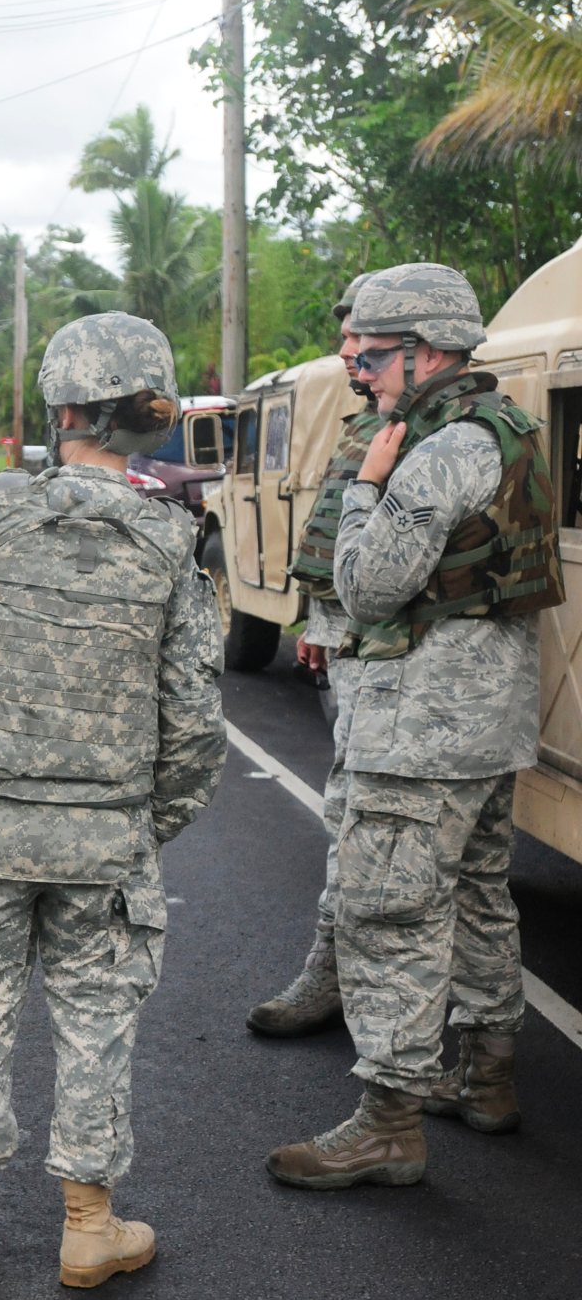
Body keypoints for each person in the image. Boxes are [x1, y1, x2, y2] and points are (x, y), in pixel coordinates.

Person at [0, 312, 226, 1285]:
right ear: (147, 416)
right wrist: (135, 817)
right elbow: (196, 724)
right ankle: (90, 1226)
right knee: (95, 1019)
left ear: (66, 408)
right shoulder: (173, 544)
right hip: (106, 834)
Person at [267, 265, 564, 1189]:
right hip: (487, 720)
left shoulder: (437, 449)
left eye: (375, 348)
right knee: (477, 895)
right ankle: (486, 1076)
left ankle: (389, 1118)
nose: (357, 357)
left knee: (390, 911)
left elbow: (368, 584)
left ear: (428, 350)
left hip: (424, 725)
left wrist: (367, 485)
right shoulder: (507, 425)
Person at [247, 273, 384, 1036]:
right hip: (356, 649)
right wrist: (315, 618)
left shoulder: (413, 432)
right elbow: (333, 538)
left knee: (362, 838)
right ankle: (332, 978)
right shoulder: (371, 421)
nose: (342, 350)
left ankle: (355, 999)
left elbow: (386, 561)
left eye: (355, 337)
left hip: (397, 674)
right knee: (353, 832)